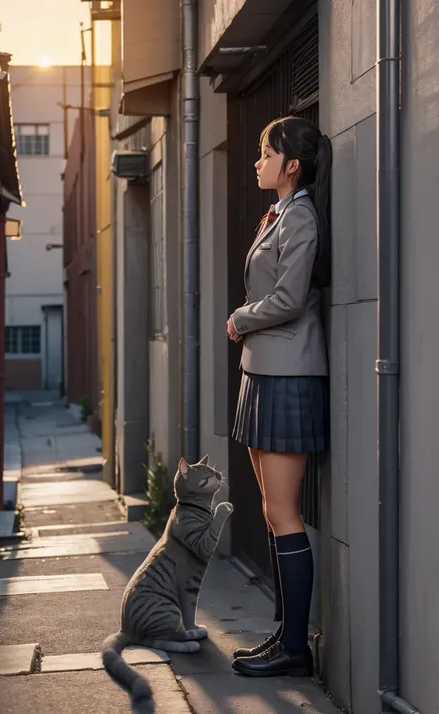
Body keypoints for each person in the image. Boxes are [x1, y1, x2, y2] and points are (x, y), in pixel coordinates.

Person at [226, 115, 332, 678]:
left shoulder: (302, 216)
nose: (257, 162)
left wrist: (240, 318)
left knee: (284, 514)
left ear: (292, 164)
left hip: (289, 372)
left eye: (266, 153)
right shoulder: (281, 214)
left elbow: (289, 298)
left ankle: (295, 648)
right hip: (263, 370)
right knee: (271, 514)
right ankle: (283, 634)